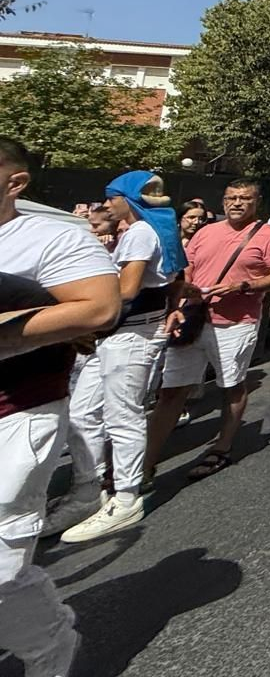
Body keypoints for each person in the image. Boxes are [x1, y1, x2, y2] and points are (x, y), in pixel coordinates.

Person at [0, 137, 120, 677]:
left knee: (0, 564)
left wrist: (7, 334)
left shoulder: (50, 237)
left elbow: (99, 306)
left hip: (16, 411)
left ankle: (52, 652)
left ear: (15, 181)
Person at [54, 172, 189, 543]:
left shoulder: (141, 233)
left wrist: (81, 300)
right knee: (82, 413)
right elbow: (176, 277)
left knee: (122, 415)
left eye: (110, 198)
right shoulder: (146, 231)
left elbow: (128, 288)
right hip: (117, 333)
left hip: (130, 334)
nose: (106, 205)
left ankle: (125, 497)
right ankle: (88, 488)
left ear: (126, 199)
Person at [143, 178, 270, 482]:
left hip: (236, 323)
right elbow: (187, 268)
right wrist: (180, 298)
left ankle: (221, 447)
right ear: (223, 202)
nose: (236, 203)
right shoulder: (206, 231)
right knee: (170, 391)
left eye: (244, 198)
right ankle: (145, 463)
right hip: (194, 318)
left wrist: (243, 286)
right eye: (231, 198)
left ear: (256, 202)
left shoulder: (269, 235)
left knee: (231, 387)